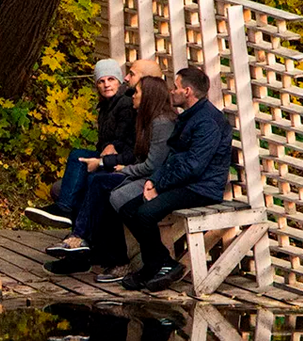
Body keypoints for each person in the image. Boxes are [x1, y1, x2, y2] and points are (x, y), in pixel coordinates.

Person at [88, 66, 231, 291]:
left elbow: (193, 167)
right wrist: (153, 181)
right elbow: (172, 158)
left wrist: (159, 184)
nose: (171, 91)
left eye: (175, 87)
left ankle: (153, 266)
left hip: (201, 188)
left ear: (187, 91)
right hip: (182, 182)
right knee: (127, 208)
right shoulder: (189, 117)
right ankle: (163, 263)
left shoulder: (208, 122)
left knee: (145, 213)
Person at [43, 75, 177, 265]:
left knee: (101, 184)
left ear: (148, 97)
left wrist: (123, 169)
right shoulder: (143, 120)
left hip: (153, 181)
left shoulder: (161, 123)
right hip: (138, 173)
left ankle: (83, 241)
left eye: (136, 93)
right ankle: (83, 247)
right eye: (100, 80)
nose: (132, 97)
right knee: (93, 180)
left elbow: (152, 166)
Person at [23, 58, 142, 228]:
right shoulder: (105, 106)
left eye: (110, 80)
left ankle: (67, 213)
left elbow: (124, 136)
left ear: (119, 81)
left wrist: (113, 146)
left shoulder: (124, 103)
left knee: (79, 157)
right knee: (75, 163)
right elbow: (103, 142)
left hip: (121, 159)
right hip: (106, 156)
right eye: (101, 81)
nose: (106, 85)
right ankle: (73, 222)